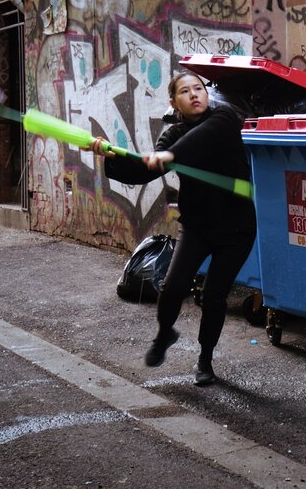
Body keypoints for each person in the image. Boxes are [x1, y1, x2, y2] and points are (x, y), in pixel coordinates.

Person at [88, 71, 256, 385]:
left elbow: (204, 138)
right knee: (172, 287)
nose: (195, 94)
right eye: (185, 91)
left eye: (199, 88)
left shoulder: (225, 117)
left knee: (214, 296)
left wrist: (171, 155)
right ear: (173, 101)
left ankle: (205, 361)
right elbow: (142, 172)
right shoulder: (173, 135)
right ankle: (166, 333)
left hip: (236, 228)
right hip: (197, 225)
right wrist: (110, 156)